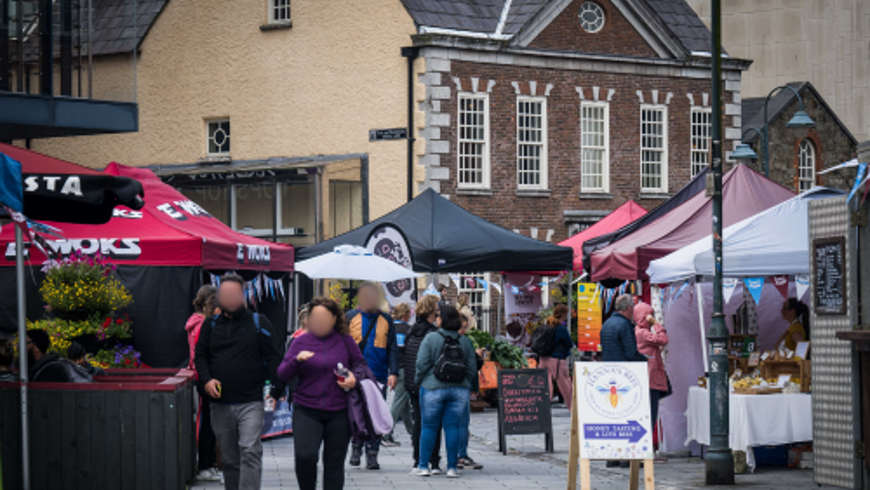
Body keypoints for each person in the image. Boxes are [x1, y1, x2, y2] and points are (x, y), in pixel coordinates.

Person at [195, 274, 285, 490]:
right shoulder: (210, 325)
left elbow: (273, 356)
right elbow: (200, 356)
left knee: (250, 450)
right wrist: (206, 380)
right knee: (230, 458)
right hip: (220, 403)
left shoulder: (258, 322)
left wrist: (277, 388)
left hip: (251, 401)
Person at [278, 297, 364, 490]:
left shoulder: (345, 340)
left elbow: (360, 365)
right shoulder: (300, 341)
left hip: (339, 411)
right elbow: (282, 373)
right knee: (305, 456)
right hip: (307, 409)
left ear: (334, 318)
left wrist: (354, 379)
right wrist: (296, 361)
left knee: (334, 463)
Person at [412, 305, 478, 478]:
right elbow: (472, 367)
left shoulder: (431, 338)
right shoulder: (465, 341)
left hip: (433, 388)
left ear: (442, 320)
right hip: (459, 389)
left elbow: (421, 364)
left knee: (429, 426)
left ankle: (424, 466)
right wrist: (464, 382)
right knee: (453, 427)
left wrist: (420, 381)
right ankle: (452, 468)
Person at [346, 282, 399, 470]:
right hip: (355, 374)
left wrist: (394, 372)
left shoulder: (386, 320)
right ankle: (356, 446)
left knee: (376, 414)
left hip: (378, 375)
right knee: (355, 411)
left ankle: (372, 454)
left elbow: (392, 348)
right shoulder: (350, 317)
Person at [186, 285, 222, 483]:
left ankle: (208, 465)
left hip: (200, 375)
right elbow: (202, 355)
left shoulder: (195, 322)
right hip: (206, 377)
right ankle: (205, 466)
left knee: (209, 421)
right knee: (209, 422)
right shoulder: (203, 325)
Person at [402, 295, 443, 472]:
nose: (438, 311)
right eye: (436, 308)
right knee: (433, 422)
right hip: (428, 383)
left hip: (412, 382)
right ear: (431, 311)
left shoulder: (411, 330)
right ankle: (433, 460)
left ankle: (418, 459)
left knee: (419, 421)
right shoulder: (433, 333)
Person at [633, 303, 669, 432]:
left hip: (648, 376)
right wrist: (655, 323)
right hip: (650, 378)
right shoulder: (643, 333)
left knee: (649, 412)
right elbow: (664, 339)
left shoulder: (638, 332)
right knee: (651, 413)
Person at [383, 302, 413, 447]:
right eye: (409, 313)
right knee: (398, 403)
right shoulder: (408, 330)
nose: (411, 315)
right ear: (404, 314)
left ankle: (414, 433)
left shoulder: (389, 328)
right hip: (404, 369)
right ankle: (386, 434)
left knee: (404, 403)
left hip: (392, 369)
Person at [457, 313, 484, 470]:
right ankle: (461, 455)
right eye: (463, 327)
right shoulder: (464, 341)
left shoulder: (437, 338)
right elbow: (472, 367)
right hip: (462, 386)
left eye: (466, 327)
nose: (464, 330)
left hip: (441, 386)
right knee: (462, 423)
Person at [538, 304, 574, 411]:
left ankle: (543, 407)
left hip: (543, 358)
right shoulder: (561, 329)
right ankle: (572, 407)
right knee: (565, 383)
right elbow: (569, 343)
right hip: (556, 358)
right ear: (563, 315)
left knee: (545, 383)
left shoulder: (546, 326)